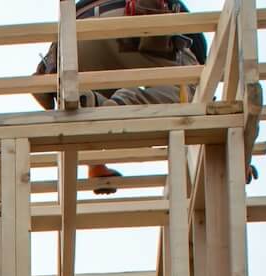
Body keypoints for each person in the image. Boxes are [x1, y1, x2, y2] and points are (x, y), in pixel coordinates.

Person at [34, 0, 211, 192]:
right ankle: (118, 104)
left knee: (97, 106)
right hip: (130, 25)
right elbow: (205, 119)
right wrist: (231, 156)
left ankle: (95, 161)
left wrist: (96, 165)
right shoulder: (197, 59)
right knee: (188, 97)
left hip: (72, 43)